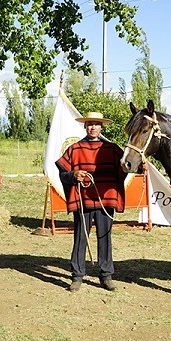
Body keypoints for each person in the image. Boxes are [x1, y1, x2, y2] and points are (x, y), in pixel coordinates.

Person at [55, 112, 127, 292]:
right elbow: (63, 173)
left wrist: (141, 164)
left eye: (96, 124)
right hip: (83, 200)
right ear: (84, 126)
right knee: (80, 237)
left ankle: (106, 276)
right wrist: (73, 175)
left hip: (105, 200)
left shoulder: (112, 149)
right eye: (89, 124)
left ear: (102, 127)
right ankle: (77, 276)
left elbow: (126, 166)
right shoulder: (75, 148)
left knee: (105, 237)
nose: (93, 127)